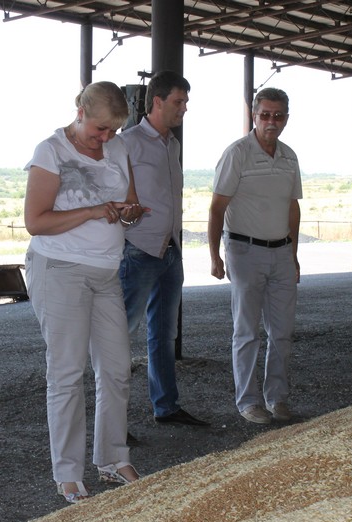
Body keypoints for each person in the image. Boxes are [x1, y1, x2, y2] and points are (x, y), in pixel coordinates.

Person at [24, 81, 146, 504]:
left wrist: (129, 214)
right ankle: (68, 473)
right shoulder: (51, 151)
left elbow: (129, 207)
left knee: (116, 368)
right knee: (67, 373)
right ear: (79, 111)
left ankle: (112, 458)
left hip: (106, 271)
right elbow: (36, 221)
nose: (106, 138)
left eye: (113, 130)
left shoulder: (118, 148)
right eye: (99, 129)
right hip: (59, 268)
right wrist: (94, 211)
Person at [119, 71, 209, 427]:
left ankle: (166, 407)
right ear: (157, 102)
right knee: (118, 335)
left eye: (185, 102)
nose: (184, 108)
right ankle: (113, 423)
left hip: (170, 250)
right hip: (138, 250)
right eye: (178, 102)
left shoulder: (173, 144)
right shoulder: (127, 143)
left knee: (164, 334)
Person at [208, 87, 302, 425]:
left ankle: (277, 398)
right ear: (254, 115)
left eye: (278, 116)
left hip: (281, 253)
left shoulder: (289, 157)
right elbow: (217, 208)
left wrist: (293, 255)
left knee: (282, 332)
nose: (271, 122)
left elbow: (292, 207)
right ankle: (248, 402)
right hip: (244, 251)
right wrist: (215, 256)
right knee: (247, 331)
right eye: (265, 115)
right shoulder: (237, 154)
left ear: (286, 118)